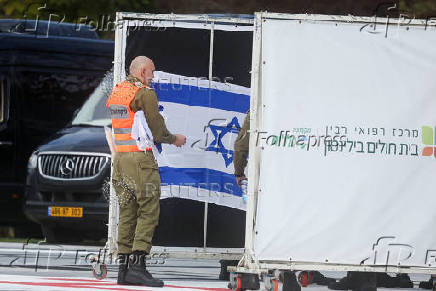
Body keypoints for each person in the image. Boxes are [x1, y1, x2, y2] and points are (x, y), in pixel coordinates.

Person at [106, 56, 186, 287]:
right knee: (149, 210)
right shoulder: (145, 93)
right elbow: (158, 130)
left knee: (127, 212)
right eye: (151, 72)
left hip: (120, 159)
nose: (153, 76)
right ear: (142, 72)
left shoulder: (119, 91)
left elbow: (125, 123)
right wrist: (175, 139)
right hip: (140, 160)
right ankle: (138, 267)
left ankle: (123, 270)